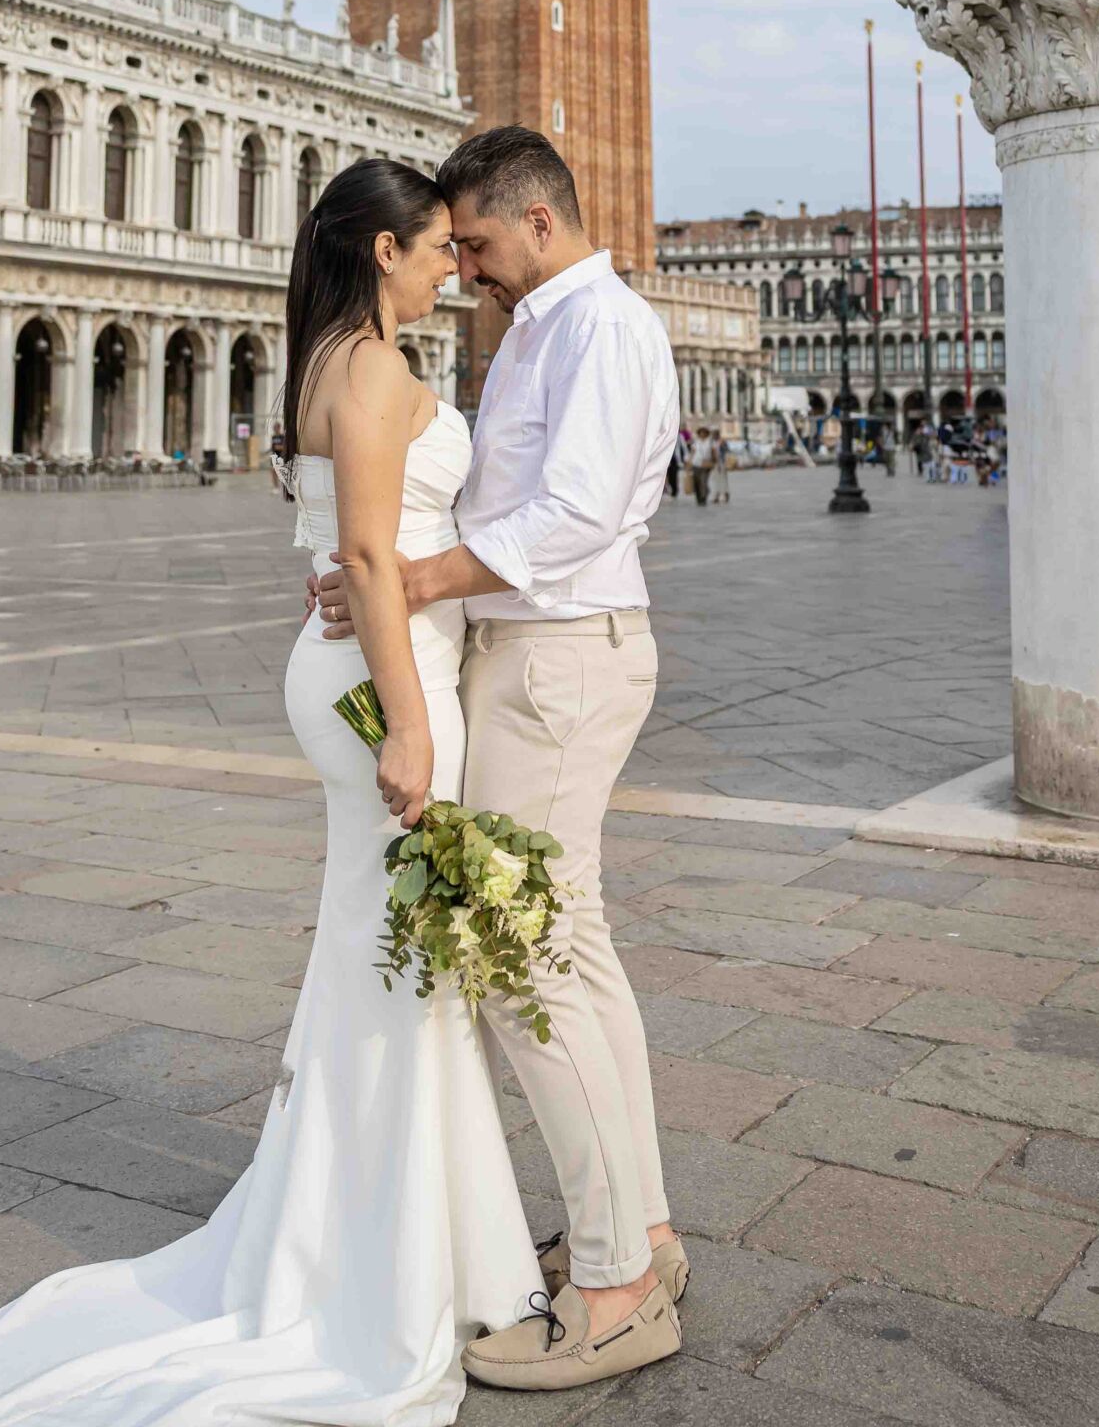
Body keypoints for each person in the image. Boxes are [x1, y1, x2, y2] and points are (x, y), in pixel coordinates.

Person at [0, 160, 542, 1426]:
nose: (451, 266)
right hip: (386, 690)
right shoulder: (373, 372)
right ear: (381, 251)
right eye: (436, 246)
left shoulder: (323, 358)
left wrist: (368, 620)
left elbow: (345, 545)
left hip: (348, 671)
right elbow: (371, 554)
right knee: (399, 974)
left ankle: (396, 1238)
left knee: (382, 969)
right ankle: (375, 1269)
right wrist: (414, 725)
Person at [316, 127, 684, 1394]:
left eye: (471, 241)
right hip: (534, 653)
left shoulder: (597, 325)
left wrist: (410, 575)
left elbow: (574, 510)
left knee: (526, 957)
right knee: (571, 949)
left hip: (559, 659)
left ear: (535, 220)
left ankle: (614, 1286)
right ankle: (640, 1236)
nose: (461, 266)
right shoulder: (542, 322)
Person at [689, 425, 714, 505]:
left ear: (706, 434)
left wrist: (714, 462)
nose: (702, 434)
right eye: (701, 433)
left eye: (704, 433)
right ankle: (698, 497)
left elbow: (714, 453)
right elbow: (692, 452)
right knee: (696, 482)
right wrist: (689, 462)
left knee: (703, 481)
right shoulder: (696, 442)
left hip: (706, 464)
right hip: (696, 464)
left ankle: (704, 497)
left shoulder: (710, 442)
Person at [712, 430, 731, 504]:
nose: (713, 436)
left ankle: (726, 494)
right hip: (715, 463)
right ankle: (717, 494)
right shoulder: (712, 442)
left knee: (723, 479)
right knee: (716, 480)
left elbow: (727, 451)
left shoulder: (722, 441)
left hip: (722, 462)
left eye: (714, 434)